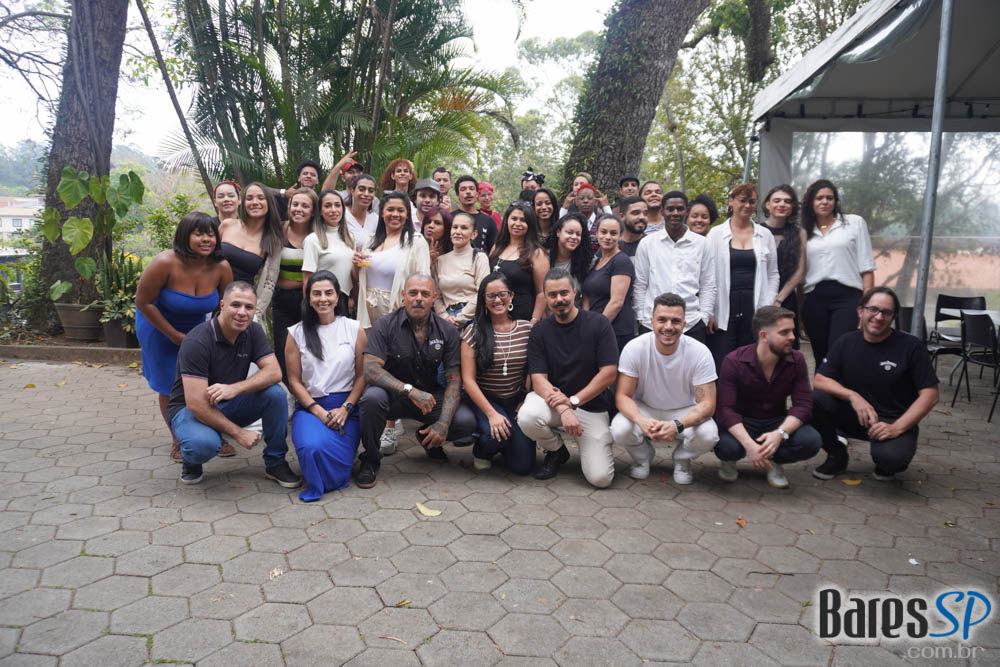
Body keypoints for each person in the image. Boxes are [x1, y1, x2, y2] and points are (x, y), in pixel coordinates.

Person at [167, 281, 302, 488]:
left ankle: (275, 462)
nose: (242, 312)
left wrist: (234, 388)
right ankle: (191, 460)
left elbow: (274, 372)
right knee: (203, 445)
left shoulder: (253, 331)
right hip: (188, 410)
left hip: (227, 402)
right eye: (235, 305)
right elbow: (196, 404)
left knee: (275, 394)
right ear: (222, 305)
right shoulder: (197, 341)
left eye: (249, 307)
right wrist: (239, 433)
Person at [355, 274, 478, 487]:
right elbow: (371, 371)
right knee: (371, 399)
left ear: (434, 298)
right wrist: (409, 390)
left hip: (428, 398)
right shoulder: (385, 325)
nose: (418, 298)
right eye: (413, 293)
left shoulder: (447, 330)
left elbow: (454, 380)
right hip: (393, 396)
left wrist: (443, 423)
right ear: (403, 296)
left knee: (465, 421)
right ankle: (370, 459)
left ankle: (429, 439)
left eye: (425, 294)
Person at [811, 287, 939, 481]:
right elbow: (820, 379)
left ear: (893, 317)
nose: (879, 317)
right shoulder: (846, 341)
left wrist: (897, 428)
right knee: (814, 400)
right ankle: (837, 454)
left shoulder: (911, 346)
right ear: (860, 311)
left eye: (886, 312)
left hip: (892, 419)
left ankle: (884, 460)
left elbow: (931, 395)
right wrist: (853, 396)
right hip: (856, 415)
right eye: (873, 309)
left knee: (892, 460)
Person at [136, 212, 234, 462]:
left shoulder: (221, 267)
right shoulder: (164, 262)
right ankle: (178, 438)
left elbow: (225, 305)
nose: (206, 239)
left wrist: (213, 333)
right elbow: (144, 302)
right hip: (159, 327)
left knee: (205, 382)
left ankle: (212, 432)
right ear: (184, 236)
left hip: (196, 328)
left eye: (210, 234)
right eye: (198, 234)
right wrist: (175, 336)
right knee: (170, 385)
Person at [517, 268, 618, 487]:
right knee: (527, 416)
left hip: (590, 407)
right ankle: (556, 450)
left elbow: (609, 374)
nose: (559, 299)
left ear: (575, 293)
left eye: (564, 293)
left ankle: (594, 443)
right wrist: (564, 409)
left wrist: (574, 402)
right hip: (553, 404)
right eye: (552, 295)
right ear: (545, 298)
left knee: (600, 479)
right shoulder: (540, 330)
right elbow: (538, 379)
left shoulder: (599, 324)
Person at [611, 293, 719, 485]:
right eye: (662, 320)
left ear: (684, 324)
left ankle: (682, 459)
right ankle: (643, 456)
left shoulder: (700, 352)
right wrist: (641, 420)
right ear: (651, 322)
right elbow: (622, 396)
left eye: (675, 321)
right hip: (645, 407)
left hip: (684, 410)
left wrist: (678, 425)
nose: (668, 327)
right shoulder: (635, 348)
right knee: (619, 429)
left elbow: (708, 404)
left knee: (709, 435)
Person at [714, 306, 822, 488]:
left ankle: (774, 461)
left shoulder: (797, 360)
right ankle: (729, 461)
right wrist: (749, 444)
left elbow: (803, 405)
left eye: (792, 331)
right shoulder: (734, 361)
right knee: (726, 446)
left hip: (775, 421)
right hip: (742, 422)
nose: (792, 337)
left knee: (810, 441)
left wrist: (780, 434)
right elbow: (725, 410)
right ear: (763, 335)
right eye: (784, 332)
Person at [285, 271, 367, 501]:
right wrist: (317, 410)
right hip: (310, 407)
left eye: (329, 293)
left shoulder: (354, 328)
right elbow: (294, 381)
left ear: (338, 296)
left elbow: (362, 376)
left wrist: (346, 408)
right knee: (311, 448)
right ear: (308, 297)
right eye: (317, 294)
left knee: (335, 467)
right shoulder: (296, 333)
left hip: (346, 408)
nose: (323, 299)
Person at [460, 273, 536, 474]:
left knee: (522, 467)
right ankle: (482, 449)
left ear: (511, 296)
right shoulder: (473, 332)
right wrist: (491, 414)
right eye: (491, 296)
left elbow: (534, 370)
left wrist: (527, 400)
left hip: (515, 400)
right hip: (485, 399)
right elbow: (468, 380)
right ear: (483, 300)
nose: (497, 300)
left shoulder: (526, 329)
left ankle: (504, 443)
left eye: (502, 294)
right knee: (496, 434)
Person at [800, 178, 876, 366]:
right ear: (811, 202)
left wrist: (867, 307)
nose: (824, 202)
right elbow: (800, 278)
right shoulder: (803, 231)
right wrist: (800, 313)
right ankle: (819, 386)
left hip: (848, 297)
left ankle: (842, 387)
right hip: (814, 299)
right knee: (820, 356)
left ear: (835, 201)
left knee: (839, 353)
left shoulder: (854, 223)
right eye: (819, 198)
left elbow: (867, 268)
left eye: (829, 198)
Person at [705, 183, 779, 370]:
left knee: (752, 363)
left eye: (752, 202)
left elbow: (773, 274)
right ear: (731, 201)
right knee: (724, 363)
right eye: (742, 201)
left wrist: (768, 305)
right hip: (724, 307)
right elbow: (707, 275)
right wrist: (710, 311)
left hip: (755, 306)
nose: (747, 205)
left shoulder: (765, 235)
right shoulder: (715, 234)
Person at [633, 191, 715, 344]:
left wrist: (704, 317)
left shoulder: (702, 244)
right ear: (662, 211)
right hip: (652, 324)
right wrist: (641, 317)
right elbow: (641, 284)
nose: (675, 213)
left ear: (686, 211)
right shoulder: (648, 243)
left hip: (691, 323)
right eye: (670, 209)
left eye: (680, 209)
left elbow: (708, 284)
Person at [258, 188, 316, 383]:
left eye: (305, 206)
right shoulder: (278, 231)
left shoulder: (319, 235)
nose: (299, 209)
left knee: (310, 347)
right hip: (282, 299)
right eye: (295, 204)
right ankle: (288, 391)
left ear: (313, 211)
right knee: (283, 347)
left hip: (311, 300)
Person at [355, 192, 431, 329]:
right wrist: (355, 265)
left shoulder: (416, 242)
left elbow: (423, 279)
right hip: (367, 310)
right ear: (382, 213)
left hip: (398, 311)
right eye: (390, 209)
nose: (395, 214)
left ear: (407, 215)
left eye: (400, 210)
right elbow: (358, 278)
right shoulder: (370, 241)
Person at [219, 182, 283, 305]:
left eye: (261, 198)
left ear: (269, 203)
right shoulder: (228, 225)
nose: (254, 202)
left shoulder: (273, 241)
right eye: (249, 198)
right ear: (243, 203)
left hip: (240, 303)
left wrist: (256, 310)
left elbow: (268, 282)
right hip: (210, 296)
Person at [583, 214, 635, 355]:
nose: (608, 237)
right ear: (597, 233)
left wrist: (597, 328)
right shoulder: (597, 260)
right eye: (604, 232)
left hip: (615, 330)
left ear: (620, 236)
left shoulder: (621, 261)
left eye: (613, 233)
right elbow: (587, 293)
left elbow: (616, 302)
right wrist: (586, 321)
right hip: (594, 326)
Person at [761, 185, 806, 348]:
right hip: (759, 297)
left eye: (787, 201)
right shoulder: (756, 231)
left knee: (787, 346)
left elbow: (800, 271)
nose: (782, 204)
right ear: (768, 204)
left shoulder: (800, 233)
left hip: (786, 298)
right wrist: (767, 299)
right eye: (777, 200)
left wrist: (778, 299)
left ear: (792, 206)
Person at [490, 201, 549, 323]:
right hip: (493, 318)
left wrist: (534, 321)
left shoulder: (536, 253)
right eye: (514, 219)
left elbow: (542, 292)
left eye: (523, 220)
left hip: (522, 319)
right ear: (507, 221)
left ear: (530, 224)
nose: (517, 224)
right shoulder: (497, 247)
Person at [302, 190, 356, 314]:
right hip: (323, 301)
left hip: (345, 300)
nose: (333, 210)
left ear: (343, 209)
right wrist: (310, 309)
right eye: (327, 206)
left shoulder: (350, 238)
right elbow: (307, 280)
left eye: (337, 205)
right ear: (320, 211)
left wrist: (352, 297)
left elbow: (349, 274)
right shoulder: (312, 240)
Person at [433, 211, 491, 328]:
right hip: (445, 321)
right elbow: (436, 295)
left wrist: (461, 318)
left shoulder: (479, 258)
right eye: (455, 227)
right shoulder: (439, 261)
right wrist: (445, 317)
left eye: (464, 228)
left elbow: (482, 291)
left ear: (473, 234)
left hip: (472, 320)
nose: (458, 232)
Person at [453, 175, 498, 253]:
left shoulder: (488, 220)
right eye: (463, 189)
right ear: (457, 195)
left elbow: (494, 250)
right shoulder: (450, 218)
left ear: (477, 193)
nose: (468, 192)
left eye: (471, 188)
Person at [546, 214, 591, 290]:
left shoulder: (587, 261)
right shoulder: (544, 258)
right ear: (558, 232)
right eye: (569, 232)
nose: (574, 237)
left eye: (578, 234)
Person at [343, 173, 380, 244]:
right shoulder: (342, 216)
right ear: (352, 191)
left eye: (371, 191)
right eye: (361, 189)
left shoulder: (376, 220)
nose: (366, 194)